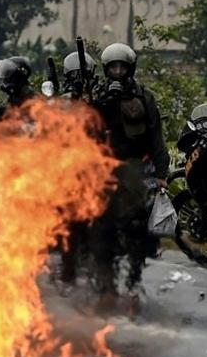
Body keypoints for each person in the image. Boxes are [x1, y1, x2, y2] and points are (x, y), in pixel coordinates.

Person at [62, 42, 169, 302]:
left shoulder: (144, 97)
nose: (118, 71)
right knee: (103, 228)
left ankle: (133, 281)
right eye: (113, 67)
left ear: (130, 68)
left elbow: (156, 135)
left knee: (135, 227)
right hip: (102, 167)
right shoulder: (97, 96)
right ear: (106, 69)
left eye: (122, 66)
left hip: (133, 167)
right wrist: (98, 104)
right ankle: (106, 285)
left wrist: (162, 172)